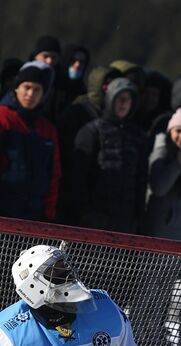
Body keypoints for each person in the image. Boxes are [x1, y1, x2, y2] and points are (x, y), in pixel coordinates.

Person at [0, 244, 157, 346]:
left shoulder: (106, 311)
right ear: (32, 287)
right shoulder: (9, 339)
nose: (68, 277)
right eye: (58, 274)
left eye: (66, 269)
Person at [71, 77, 148, 233]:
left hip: (125, 223)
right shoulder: (91, 131)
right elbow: (77, 178)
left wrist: (137, 219)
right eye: (120, 98)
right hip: (93, 222)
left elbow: (141, 180)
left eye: (128, 99)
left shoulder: (138, 137)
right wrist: (85, 213)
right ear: (110, 99)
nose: (124, 103)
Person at [0, 60, 61, 221]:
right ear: (17, 88)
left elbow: (53, 173)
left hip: (35, 215)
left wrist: (48, 212)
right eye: (27, 87)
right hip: (5, 210)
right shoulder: (3, 118)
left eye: (37, 90)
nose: (31, 94)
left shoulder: (48, 129)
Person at [144, 103, 181, 241]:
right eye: (178, 131)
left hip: (180, 245)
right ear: (170, 132)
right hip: (157, 241)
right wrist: (178, 162)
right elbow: (158, 188)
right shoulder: (161, 153)